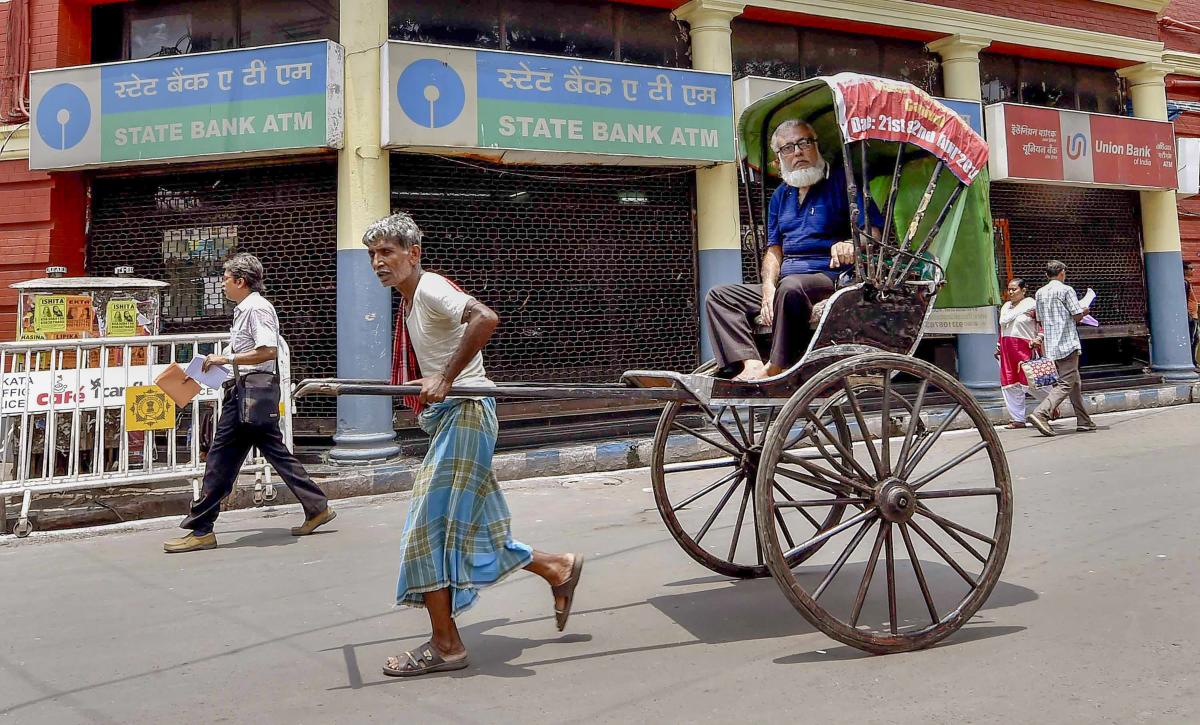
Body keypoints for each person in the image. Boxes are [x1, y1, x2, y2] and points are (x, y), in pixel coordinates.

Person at [363, 213, 583, 678]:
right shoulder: (410, 301)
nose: (378, 262)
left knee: (426, 532)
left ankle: (447, 645)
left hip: (466, 414)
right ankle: (557, 568)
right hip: (454, 418)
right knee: (474, 531)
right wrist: (438, 375)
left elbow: (485, 318)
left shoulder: (430, 290)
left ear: (413, 253)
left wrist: (446, 376)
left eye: (387, 252)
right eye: (372, 255)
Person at [163, 253, 335, 553]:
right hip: (244, 394)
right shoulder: (246, 309)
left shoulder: (256, 309)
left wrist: (225, 358)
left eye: (226, 278)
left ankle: (201, 528)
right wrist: (208, 366)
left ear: (240, 281)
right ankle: (316, 505)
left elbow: (266, 351)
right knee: (272, 455)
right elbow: (245, 350)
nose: (223, 284)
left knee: (219, 461)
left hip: (247, 395)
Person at [705, 119, 881, 381]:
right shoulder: (780, 196)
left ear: (815, 146)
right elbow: (774, 250)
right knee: (720, 296)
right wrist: (767, 290)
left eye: (803, 143)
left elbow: (874, 234)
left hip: (830, 279)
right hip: (787, 286)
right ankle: (751, 364)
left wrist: (852, 245)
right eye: (788, 148)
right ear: (779, 158)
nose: (797, 152)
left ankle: (778, 366)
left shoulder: (843, 182)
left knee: (790, 288)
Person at [1027, 260, 1096, 436]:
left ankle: (1084, 421)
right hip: (1067, 343)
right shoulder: (1066, 290)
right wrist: (1085, 311)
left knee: (1074, 382)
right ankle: (1041, 413)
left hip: (1050, 345)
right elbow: (1077, 315)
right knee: (1066, 383)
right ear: (1062, 273)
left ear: (1046, 275)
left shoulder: (1040, 293)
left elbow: (1041, 318)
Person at [995, 278, 1049, 428]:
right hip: (1007, 349)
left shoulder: (1031, 305)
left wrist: (1039, 338)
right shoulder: (1006, 307)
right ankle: (1017, 419)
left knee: (1032, 381)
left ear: (1023, 290)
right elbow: (1003, 327)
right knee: (1010, 384)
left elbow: (1043, 324)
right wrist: (999, 345)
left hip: (1025, 348)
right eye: (1009, 289)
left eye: (1014, 289)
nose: (1011, 292)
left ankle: (1050, 405)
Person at [1185, 261, 1198, 368]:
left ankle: (1193, 361)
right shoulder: (1185, 283)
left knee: (1195, 338)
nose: (1192, 270)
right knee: (1192, 339)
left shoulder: (1188, 282)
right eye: (1190, 268)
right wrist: (1188, 313)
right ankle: (1192, 362)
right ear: (1185, 270)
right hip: (1191, 315)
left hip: (1193, 315)